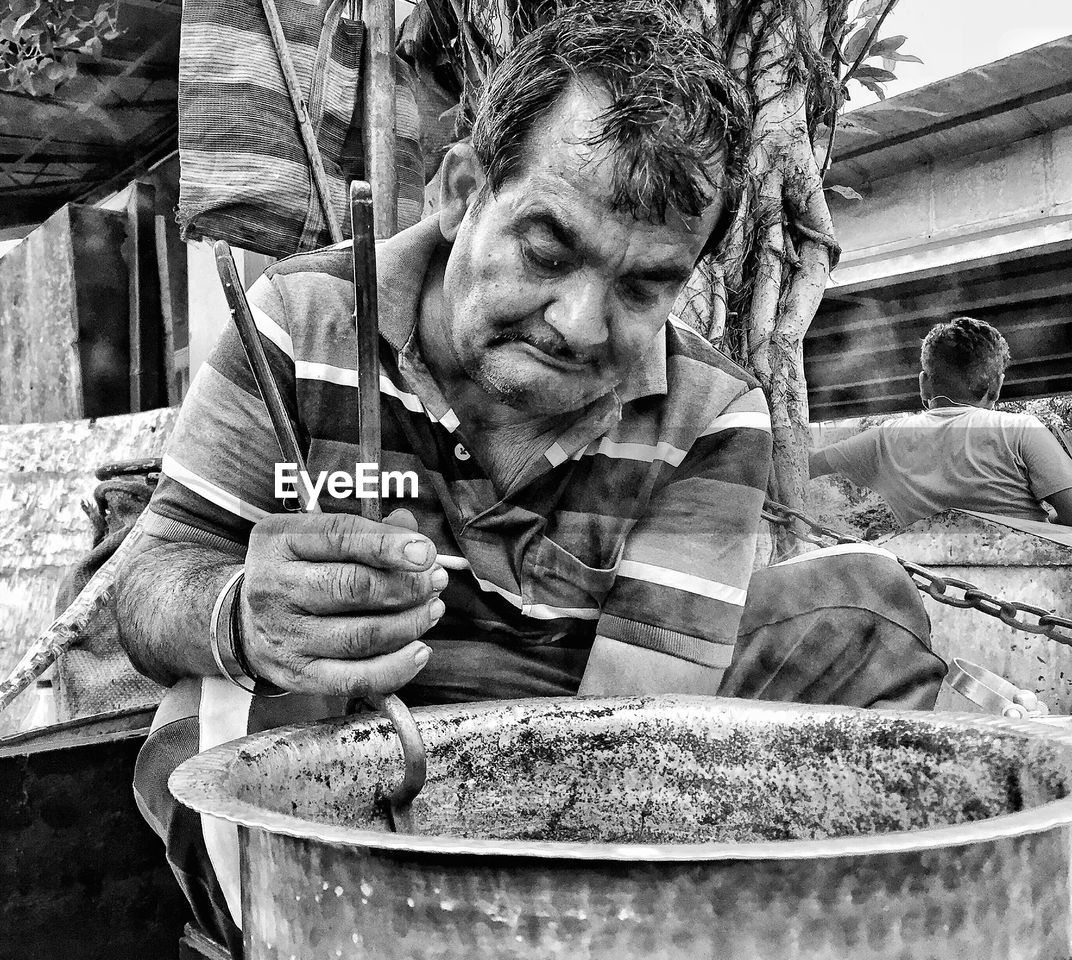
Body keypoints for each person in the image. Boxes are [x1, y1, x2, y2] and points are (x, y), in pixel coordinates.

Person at [115, 4, 943, 947]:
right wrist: (239, 615)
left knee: (860, 609)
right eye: (548, 250)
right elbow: (149, 582)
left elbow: (624, 744)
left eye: (643, 287)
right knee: (221, 706)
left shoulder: (711, 414)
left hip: (569, 738)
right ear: (464, 191)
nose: (580, 325)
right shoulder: (298, 324)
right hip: (319, 748)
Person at [811, 316, 1072, 527]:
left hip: (927, 588)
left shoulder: (882, 440)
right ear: (996, 385)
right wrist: (1044, 524)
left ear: (924, 383)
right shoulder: (1021, 431)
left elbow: (806, 465)